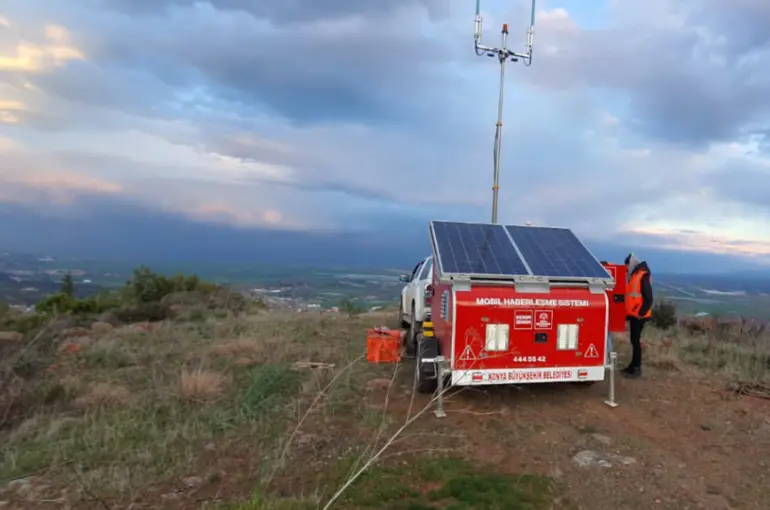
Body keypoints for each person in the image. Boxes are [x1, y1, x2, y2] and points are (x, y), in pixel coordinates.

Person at [622, 253, 653, 378]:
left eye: (627, 266)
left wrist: (640, 313)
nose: (626, 268)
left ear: (631, 264)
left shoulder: (643, 275)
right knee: (634, 340)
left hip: (640, 315)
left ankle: (636, 368)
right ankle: (632, 366)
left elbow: (649, 298)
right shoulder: (634, 275)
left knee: (635, 340)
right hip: (634, 314)